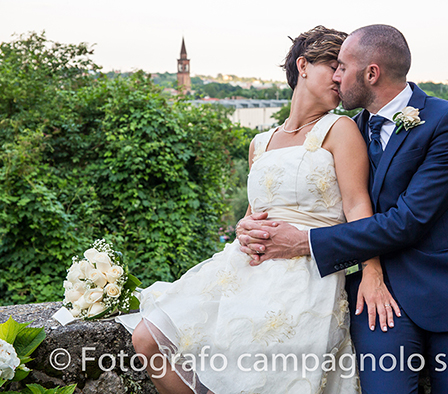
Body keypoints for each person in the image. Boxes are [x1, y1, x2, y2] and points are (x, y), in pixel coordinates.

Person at [238, 24, 448, 394]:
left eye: (342, 67)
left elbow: (409, 221)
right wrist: (251, 225)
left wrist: (304, 242)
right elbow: (318, 201)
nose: (337, 76)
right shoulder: (346, 132)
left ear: (371, 73)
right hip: (381, 300)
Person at [117, 26, 399, 394]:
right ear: (302, 65)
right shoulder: (260, 143)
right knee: (147, 339)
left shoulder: (340, 129)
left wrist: (372, 271)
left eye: (344, 69)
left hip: (305, 278)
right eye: (333, 65)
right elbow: (257, 210)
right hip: (244, 268)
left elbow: (358, 205)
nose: (340, 77)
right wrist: (242, 227)